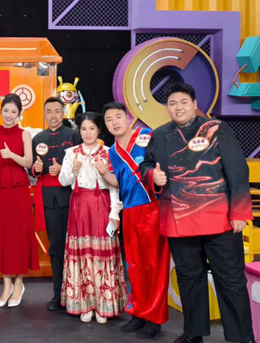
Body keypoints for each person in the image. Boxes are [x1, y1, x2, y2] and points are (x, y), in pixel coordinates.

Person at [140, 82, 254, 343]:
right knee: (189, 278)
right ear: (167, 108)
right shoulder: (159, 134)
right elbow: (146, 164)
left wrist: (239, 213)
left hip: (220, 219)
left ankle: (242, 337)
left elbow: (237, 170)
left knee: (231, 279)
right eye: (172, 104)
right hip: (178, 220)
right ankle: (194, 333)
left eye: (183, 102)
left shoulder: (216, 128)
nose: (178, 108)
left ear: (194, 104)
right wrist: (152, 175)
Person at [102, 101, 170, 339]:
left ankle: (154, 318)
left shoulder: (147, 135)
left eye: (118, 117)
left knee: (154, 265)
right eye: (109, 120)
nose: (114, 122)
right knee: (134, 265)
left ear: (128, 117)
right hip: (130, 211)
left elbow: (162, 168)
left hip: (153, 207)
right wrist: (103, 172)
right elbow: (119, 182)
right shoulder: (112, 151)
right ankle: (139, 313)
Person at [58, 112, 126, 323]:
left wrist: (114, 213)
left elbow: (115, 187)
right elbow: (63, 181)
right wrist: (73, 170)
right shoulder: (71, 153)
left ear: (99, 130)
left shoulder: (109, 152)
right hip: (79, 207)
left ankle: (104, 304)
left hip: (102, 206)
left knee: (102, 254)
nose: (87, 133)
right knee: (83, 254)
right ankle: (85, 304)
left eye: (92, 129)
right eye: (84, 129)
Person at [0, 93, 39, 308]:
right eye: (6, 111)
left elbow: (28, 162)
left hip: (19, 190)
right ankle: (6, 284)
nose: (9, 115)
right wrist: (3, 171)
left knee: (19, 234)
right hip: (2, 190)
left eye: (13, 112)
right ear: (0, 111)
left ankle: (19, 283)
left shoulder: (25, 134)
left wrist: (11, 156)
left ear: (19, 114)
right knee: (2, 235)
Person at [30, 97, 80, 311]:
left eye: (57, 111)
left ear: (63, 112)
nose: (53, 115)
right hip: (49, 198)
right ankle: (58, 293)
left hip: (73, 196)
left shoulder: (74, 135)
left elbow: (82, 163)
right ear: (44, 114)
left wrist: (63, 170)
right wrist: (37, 169)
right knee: (56, 246)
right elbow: (32, 169)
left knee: (76, 246)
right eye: (49, 111)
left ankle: (77, 292)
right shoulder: (38, 138)